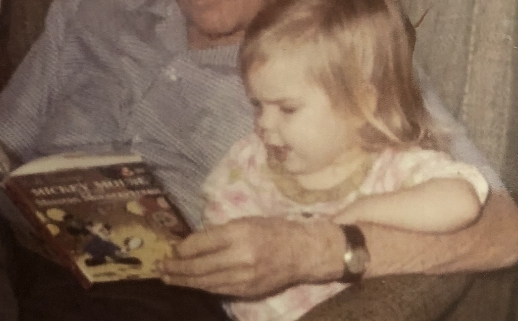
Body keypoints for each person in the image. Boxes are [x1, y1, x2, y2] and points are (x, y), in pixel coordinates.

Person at [0, 0, 517, 320]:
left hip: (169, 291)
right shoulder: (87, 9)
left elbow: (504, 228)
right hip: (22, 248)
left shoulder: (332, 47)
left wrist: (320, 248)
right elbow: (9, 136)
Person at [171, 0, 488, 319]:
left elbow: (462, 200)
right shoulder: (251, 160)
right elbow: (219, 220)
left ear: (360, 105)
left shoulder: (389, 165)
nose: (264, 124)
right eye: (257, 105)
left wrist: (357, 216)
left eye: (287, 109)